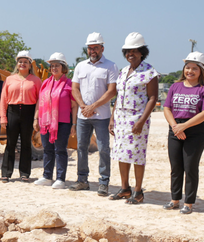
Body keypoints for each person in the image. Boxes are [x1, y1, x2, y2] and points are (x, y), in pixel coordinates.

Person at [162, 52, 204, 214]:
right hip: (175, 128)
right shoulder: (175, 86)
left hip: (195, 131)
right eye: (187, 68)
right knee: (176, 167)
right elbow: (166, 108)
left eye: (194, 68)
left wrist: (184, 126)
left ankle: (189, 203)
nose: (190, 71)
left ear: (201, 71)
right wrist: (175, 126)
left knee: (190, 167)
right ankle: (175, 200)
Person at [109, 32, 159, 204]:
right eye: (127, 51)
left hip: (138, 118)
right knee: (121, 154)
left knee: (137, 155)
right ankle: (124, 188)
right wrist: (112, 118)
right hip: (121, 118)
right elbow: (118, 96)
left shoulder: (149, 72)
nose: (130, 54)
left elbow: (153, 98)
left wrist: (141, 121)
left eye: (134, 51)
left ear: (142, 52)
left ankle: (138, 191)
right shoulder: (123, 72)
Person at [70, 32, 119, 195]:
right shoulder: (80, 66)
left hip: (102, 116)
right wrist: (84, 106)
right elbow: (74, 88)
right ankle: (82, 180)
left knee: (104, 148)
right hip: (83, 116)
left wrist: (93, 106)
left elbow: (112, 91)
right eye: (90, 48)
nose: (92, 51)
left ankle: (104, 182)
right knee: (81, 147)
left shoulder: (111, 66)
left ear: (102, 48)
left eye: (95, 48)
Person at [33, 53, 77, 189]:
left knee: (60, 150)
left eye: (57, 65)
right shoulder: (46, 83)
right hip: (46, 123)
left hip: (63, 122)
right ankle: (47, 176)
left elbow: (74, 105)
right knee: (47, 149)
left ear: (63, 67)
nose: (54, 68)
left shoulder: (69, 84)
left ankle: (60, 178)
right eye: (52, 66)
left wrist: (74, 124)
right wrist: (36, 118)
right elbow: (40, 102)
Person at [0, 51, 42, 182]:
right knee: (10, 143)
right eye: (20, 61)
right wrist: (3, 117)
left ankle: (24, 173)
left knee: (26, 144)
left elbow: (39, 101)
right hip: (12, 111)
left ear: (30, 64)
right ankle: (6, 173)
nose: (22, 64)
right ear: (17, 64)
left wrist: (36, 118)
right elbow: (3, 99)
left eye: (25, 62)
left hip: (28, 112)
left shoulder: (36, 81)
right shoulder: (9, 79)